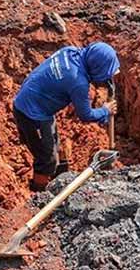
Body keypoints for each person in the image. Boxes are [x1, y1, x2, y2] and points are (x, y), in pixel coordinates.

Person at [12, 43, 119, 191]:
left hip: (33, 100)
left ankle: (59, 178)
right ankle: (39, 193)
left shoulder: (71, 51)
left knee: (53, 145)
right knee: (46, 159)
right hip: (31, 114)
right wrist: (105, 111)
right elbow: (85, 115)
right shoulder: (78, 83)